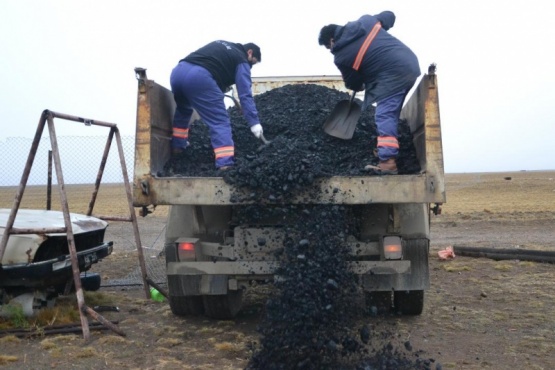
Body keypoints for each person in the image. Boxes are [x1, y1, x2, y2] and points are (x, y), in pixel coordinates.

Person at [318, 11, 420, 174]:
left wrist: (359, 85)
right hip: (409, 65)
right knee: (392, 113)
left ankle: (387, 162)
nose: (331, 50)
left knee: (384, 115)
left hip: (391, 77)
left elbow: (354, 83)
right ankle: (387, 148)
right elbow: (389, 15)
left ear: (331, 40)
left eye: (328, 47)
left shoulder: (341, 56)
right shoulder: (365, 21)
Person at [170, 40, 264, 170]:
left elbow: (213, 65)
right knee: (219, 121)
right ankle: (225, 163)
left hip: (178, 73)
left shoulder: (223, 44)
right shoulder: (242, 59)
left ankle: (178, 147)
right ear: (249, 52)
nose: (250, 66)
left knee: (183, 109)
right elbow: (245, 94)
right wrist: (254, 122)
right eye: (252, 62)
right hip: (199, 77)